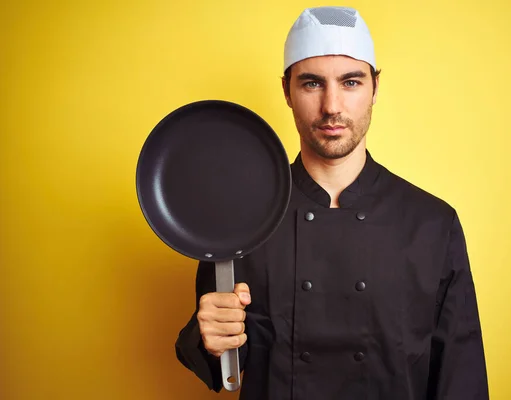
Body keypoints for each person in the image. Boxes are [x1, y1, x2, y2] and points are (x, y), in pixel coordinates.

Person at [175, 6, 489, 399]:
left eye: (351, 82)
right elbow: (220, 354)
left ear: (375, 86)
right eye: (311, 84)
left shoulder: (432, 224)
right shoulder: (241, 220)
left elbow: (461, 377)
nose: (332, 106)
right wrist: (208, 339)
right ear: (286, 90)